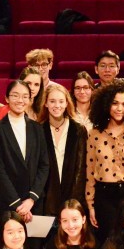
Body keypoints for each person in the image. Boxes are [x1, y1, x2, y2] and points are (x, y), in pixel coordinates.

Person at [86, 80, 124, 242]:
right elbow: (90, 171)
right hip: (104, 197)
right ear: (106, 104)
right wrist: (90, 204)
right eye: (115, 103)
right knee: (108, 245)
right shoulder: (95, 133)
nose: (119, 108)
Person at [0, 80, 49, 222]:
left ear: (30, 100)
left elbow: (44, 165)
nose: (20, 100)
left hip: (34, 202)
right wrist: (18, 204)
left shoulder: (37, 128)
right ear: (6, 98)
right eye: (15, 96)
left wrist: (31, 199)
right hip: (10, 203)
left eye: (25, 96)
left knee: (34, 243)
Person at [38, 83, 88, 215]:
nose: (57, 105)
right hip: (46, 199)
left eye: (61, 101)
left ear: (67, 103)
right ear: (46, 103)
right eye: (52, 101)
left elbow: (81, 168)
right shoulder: (38, 130)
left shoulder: (78, 130)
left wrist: (75, 200)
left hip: (72, 196)